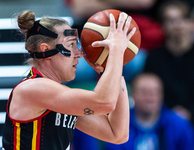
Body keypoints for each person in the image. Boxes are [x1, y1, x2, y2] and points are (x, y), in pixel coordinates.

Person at [2, 10, 136, 150]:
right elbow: (104, 102)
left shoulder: (60, 98)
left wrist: (112, 66)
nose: (79, 54)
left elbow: (117, 134)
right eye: (71, 45)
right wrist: (116, 51)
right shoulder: (32, 88)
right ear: (45, 50)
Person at [144, 0, 194, 139]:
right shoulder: (154, 59)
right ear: (162, 26)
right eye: (171, 20)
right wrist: (172, 113)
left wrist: (190, 112)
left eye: (182, 19)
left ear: (192, 23)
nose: (177, 25)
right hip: (163, 116)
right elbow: (150, 92)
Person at [104, 73, 194, 150]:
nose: (150, 97)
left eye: (155, 92)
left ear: (162, 95)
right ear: (132, 95)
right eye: (144, 92)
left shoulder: (179, 125)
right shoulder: (118, 123)